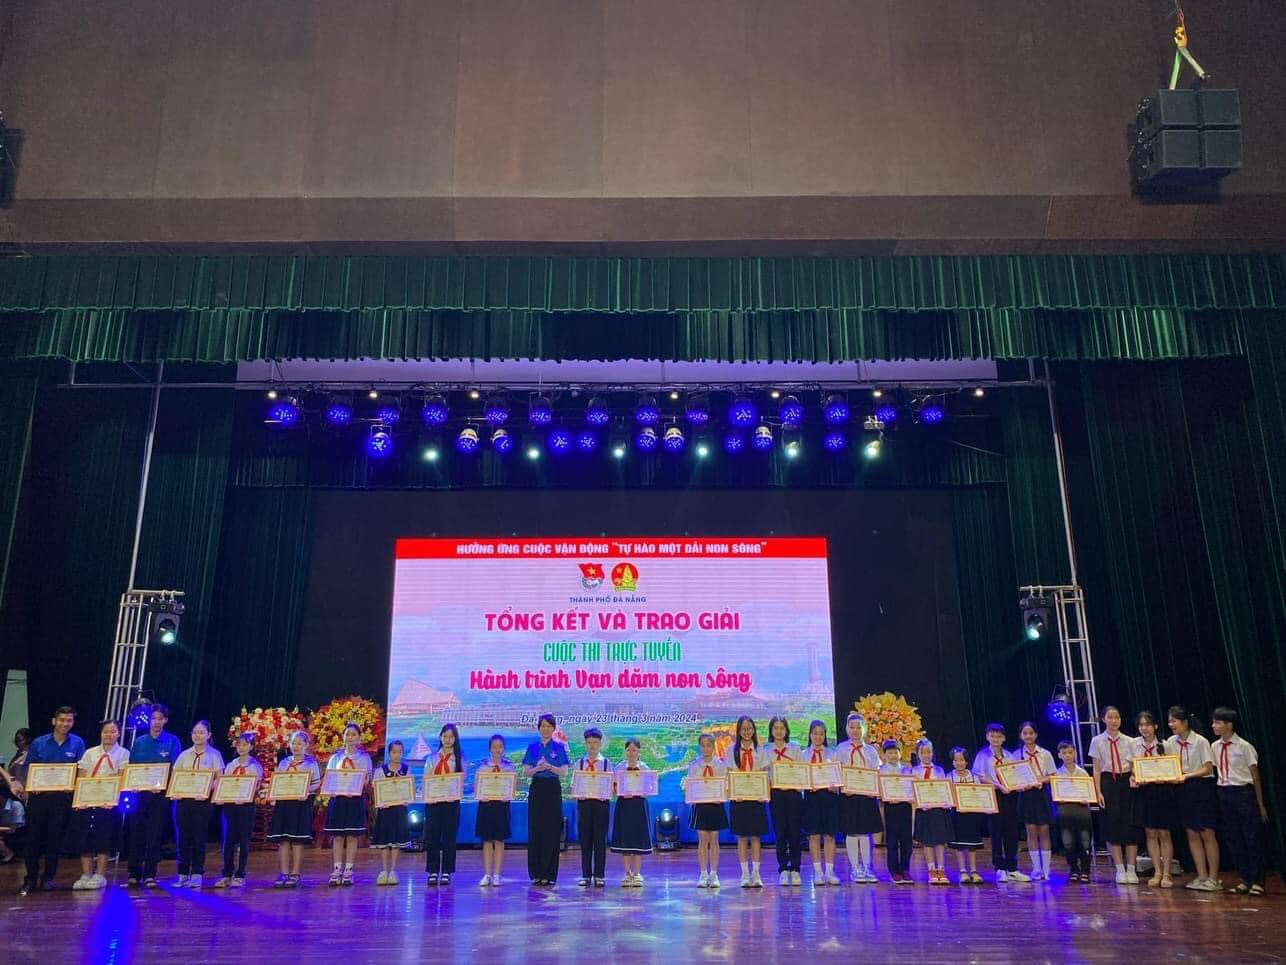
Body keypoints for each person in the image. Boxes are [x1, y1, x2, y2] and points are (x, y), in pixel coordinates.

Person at [20, 705, 85, 895]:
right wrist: (29, 787)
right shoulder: (39, 743)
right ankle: (31, 878)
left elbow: (80, 770)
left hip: (62, 799)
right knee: (33, 839)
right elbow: (27, 769)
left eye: (69, 720)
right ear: (54, 721)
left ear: (73, 723)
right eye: (62, 720)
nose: (65, 724)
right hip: (39, 798)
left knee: (54, 840)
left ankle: (48, 877)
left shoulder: (77, 743)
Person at [1210, 707, 1268, 896]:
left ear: (1229, 725)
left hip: (1243, 792)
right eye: (1213, 722)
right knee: (1233, 837)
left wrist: (1260, 804)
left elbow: (1255, 775)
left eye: (1218, 722)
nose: (1214, 726)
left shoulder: (1244, 746)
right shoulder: (1215, 746)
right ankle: (1245, 878)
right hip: (1224, 792)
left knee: (1251, 837)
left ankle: (1258, 880)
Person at [66, 719, 129, 890]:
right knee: (86, 837)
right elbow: (81, 776)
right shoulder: (90, 753)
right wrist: (82, 797)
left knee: (104, 837)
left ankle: (100, 874)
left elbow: (121, 777)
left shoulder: (123, 753)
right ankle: (86, 873)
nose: (108, 735)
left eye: (112, 731)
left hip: (109, 802)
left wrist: (108, 790)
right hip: (88, 800)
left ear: (118, 734)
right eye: (105, 731)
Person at [1165, 705, 1221, 892]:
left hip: (1201, 788)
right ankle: (1201, 875)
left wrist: (1187, 775)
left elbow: (1208, 768)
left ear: (1185, 722)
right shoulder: (1170, 742)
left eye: (1174, 721)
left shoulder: (1200, 741)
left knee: (1207, 833)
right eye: (1169, 721)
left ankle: (1213, 878)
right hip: (1182, 790)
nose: (1171, 724)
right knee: (1191, 833)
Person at [125, 704, 181, 888]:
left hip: (160, 795)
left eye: (160, 719)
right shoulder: (139, 741)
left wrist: (163, 785)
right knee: (136, 833)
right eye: (153, 718)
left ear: (165, 720)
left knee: (155, 834)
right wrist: (133, 785)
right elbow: (132, 768)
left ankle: (150, 874)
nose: (156, 722)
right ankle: (133, 874)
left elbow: (175, 769)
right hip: (139, 794)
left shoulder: (172, 741)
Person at [971, 722, 1030, 883]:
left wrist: (1019, 784)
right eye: (992, 736)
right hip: (993, 795)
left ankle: (1012, 868)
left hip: (1010, 796)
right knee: (996, 832)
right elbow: (979, 776)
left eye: (999, 736)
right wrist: (997, 785)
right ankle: (999, 867)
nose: (995, 739)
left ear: (1003, 738)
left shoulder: (1009, 756)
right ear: (987, 737)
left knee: (1011, 832)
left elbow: (1016, 774)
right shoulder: (982, 755)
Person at [1088, 705, 1139, 885]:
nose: (1114, 721)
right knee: (1112, 827)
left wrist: (1134, 776)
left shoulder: (1130, 741)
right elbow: (1096, 768)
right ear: (1103, 719)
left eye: (1116, 717)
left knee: (1130, 827)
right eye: (1110, 717)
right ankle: (1120, 869)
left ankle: (1131, 869)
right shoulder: (1097, 741)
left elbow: (1134, 764)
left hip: (1126, 782)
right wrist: (1098, 791)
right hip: (1108, 782)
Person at [172, 720, 224, 889]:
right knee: (183, 838)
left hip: (202, 802)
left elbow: (219, 779)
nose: (198, 736)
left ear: (209, 735)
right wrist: (176, 791)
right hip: (183, 802)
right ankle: (182, 874)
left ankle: (196, 874)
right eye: (195, 733)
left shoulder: (214, 755)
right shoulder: (184, 755)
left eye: (202, 732)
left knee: (198, 838)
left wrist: (207, 789)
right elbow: (175, 777)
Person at [266, 730, 321, 888]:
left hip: (301, 804)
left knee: (297, 839)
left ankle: (295, 873)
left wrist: (306, 792)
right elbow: (279, 781)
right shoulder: (284, 763)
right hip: (284, 803)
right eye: (293, 743)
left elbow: (316, 784)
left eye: (299, 744)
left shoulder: (311, 763)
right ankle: (284, 872)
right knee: (283, 839)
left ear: (306, 745)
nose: (296, 747)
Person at [522, 713, 569, 886]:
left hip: (552, 788)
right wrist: (537, 768)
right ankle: (536, 873)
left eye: (549, 726)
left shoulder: (559, 747)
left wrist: (549, 767)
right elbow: (526, 771)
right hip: (537, 788)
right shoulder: (532, 747)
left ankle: (549, 874)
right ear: (538, 728)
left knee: (552, 829)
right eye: (542, 725)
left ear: (553, 728)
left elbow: (564, 772)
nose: (545, 729)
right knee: (536, 828)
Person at [324, 721, 373, 886]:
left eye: (354, 735)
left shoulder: (364, 758)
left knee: (352, 836)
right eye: (347, 734)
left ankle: (349, 870)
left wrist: (356, 786)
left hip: (355, 800)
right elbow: (329, 778)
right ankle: (337, 869)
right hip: (338, 800)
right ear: (343, 737)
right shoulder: (335, 758)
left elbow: (366, 779)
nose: (350, 737)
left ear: (359, 738)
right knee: (338, 836)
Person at [835, 711, 882, 884]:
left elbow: (876, 772)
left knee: (865, 832)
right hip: (848, 796)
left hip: (866, 797)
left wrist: (873, 788)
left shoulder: (870, 751)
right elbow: (836, 771)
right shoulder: (841, 749)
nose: (855, 730)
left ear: (864, 729)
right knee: (852, 832)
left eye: (858, 727)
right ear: (847, 729)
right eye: (852, 727)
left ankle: (868, 867)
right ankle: (855, 868)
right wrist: (842, 787)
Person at [1132, 710, 1177, 888]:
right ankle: (1157, 871)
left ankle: (1167, 873)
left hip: (1162, 790)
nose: (1145, 728)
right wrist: (1135, 776)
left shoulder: (1165, 745)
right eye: (1141, 725)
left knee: (1164, 833)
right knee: (1150, 833)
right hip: (1144, 791)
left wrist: (1165, 776)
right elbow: (1132, 767)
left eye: (1148, 725)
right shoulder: (1134, 745)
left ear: (1155, 726)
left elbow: (1173, 767)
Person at [723, 715, 767, 888]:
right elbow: (729, 774)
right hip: (739, 799)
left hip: (756, 799)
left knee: (756, 837)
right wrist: (734, 792)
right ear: (738, 731)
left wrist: (763, 793)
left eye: (749, 728)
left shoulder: (760, 750)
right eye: (743, 729)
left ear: (754, 730)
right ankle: (744, 874)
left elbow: (764, 773)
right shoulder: (730, 750)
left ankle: (756, 873)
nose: (747, 732)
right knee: (741, 837)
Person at [215, 732, 262, 888]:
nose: (241, 748)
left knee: (243, 840)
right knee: (229, 841)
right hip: (230, 806)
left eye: (245, 745)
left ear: (251, 747)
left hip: (246, 807)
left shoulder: (255, 766)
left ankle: (240, 874)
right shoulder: (231, 765)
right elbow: (225, 784)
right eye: (239, 745)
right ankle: (227, 873)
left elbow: (256, 786)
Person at [766, 715, 804, 886]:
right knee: (780, 832)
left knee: (794, 832)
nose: (779, 731)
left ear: (786, 730)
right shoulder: (765, 750)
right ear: (771, 730)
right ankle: (783, 869)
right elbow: (763, 773)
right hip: (776, 794)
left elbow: (802, 771)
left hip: (793, 794)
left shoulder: (795, 749)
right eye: (776, 728)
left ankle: (795, 868)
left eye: (782, 728)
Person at [687, 732, 728, 888]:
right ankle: (703, 873)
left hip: (715, 805)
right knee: (703, 840)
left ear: (713, 746)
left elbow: (724, 785)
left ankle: (714, 874)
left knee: (714, 839)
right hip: (701, 806)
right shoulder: (694, 765)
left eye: (709, 745)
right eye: (703, 746)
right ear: (699, 747)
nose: (706, 748)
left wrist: (721, 795)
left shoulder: (720, 765)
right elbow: (691, 786)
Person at [424, 723, 463, 886]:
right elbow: (426, 779)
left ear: (455, 739)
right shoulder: (431, 758)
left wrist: (454, 794)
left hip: (451, 804)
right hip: (433, 803)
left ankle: (447, 871)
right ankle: (433, 871)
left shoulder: (459, 759)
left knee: (449, 837)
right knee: (432, 836)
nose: (448, 739)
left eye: (451, 737)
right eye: (445, 736)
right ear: (440, 737)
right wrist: (429, 796)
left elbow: (461, 780)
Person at [1017, 721, 1056, 881]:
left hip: (1042, 794)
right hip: (1026, 795)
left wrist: (1041, 780)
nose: (1028, 736)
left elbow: (1052, 775)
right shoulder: (1016, 755)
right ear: (1021, 736)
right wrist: (1020, 785)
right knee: (1031, 830)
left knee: (1044, 830)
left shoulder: (1045, 754)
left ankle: (1046, 868)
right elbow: (1012, 776)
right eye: (1025, 733)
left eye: (1031, 733)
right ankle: (1036, 868)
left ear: (1036, 735)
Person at [802, 720, 840, 885]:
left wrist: (835, 786)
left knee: (830, 835)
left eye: (821, 733)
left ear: (825, 735)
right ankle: (817, 872)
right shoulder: (803, 755)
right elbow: (800, 778)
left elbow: (838, 778)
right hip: (811, 799)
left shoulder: (832, 754)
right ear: (810, 735)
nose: (818, 737)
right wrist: (806, 785)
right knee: (814, 836)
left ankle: (830, 872)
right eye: (815, 733)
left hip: (829, 798)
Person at [610, 737, 652, 887]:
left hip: (639, 805)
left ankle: (637, 873)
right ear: (625, 751)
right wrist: (621, 792)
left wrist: (640, 792)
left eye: (634, 750)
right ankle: (627, 873)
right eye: (629, 750)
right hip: (624, 805)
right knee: (625, 838)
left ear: (639, 751)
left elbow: (649, 789)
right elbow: (613, 789)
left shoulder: (645, 768)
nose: (631, 753)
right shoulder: (618, 768)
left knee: (638, 837)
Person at [911, 738, 952, 884]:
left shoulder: (939, 770)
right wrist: (919, 802)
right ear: (918, 754)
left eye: (929, 752)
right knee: (927, 841)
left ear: (932, 753)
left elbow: (944, 789)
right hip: (923, 810)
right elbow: (912, 790)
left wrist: (946, 802)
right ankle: (931, 870)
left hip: (938, 810)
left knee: (940, 841)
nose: (926, 755)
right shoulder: (914, 771)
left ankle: (941, 869)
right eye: (923, 752)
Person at [475, 734, 514, 887]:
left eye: (500, 747)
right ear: (490, 749)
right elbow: (477, 787)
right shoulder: (482, 767)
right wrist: (480, 795)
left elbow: (512, 787)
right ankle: (487, 874)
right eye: (494, 747)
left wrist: (508, 796)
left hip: (502, 806)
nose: (497, 750)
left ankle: (497, 874)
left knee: (499, 840)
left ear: (503, 748)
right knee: (486, 840)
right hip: (486, 806)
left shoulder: (509, 767)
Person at [575, 727, 611, 888]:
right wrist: (578, 792)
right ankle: (585, 875)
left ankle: (599, 875)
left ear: (600, 744)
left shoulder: (607, 763)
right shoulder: (579, 763)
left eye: (595, 742)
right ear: (585, 744)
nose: (592, 746)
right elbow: (574, 785)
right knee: (585, 840)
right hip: (584, 804)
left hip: (601, 804)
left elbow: (611, 786)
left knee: (600, 840)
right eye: (589, 742)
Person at [372, 739, 411, 886]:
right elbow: (377, 790)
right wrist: (382, 801)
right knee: (384, 841)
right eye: (394, 752)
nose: (397, 755)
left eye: (400, 752)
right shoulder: (380, 771)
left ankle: (393, 870)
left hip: (399, 810)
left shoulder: (406, 770)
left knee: (396, 842)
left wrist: (406, 799)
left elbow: (409, 789)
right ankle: (383, 870)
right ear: (389, 753)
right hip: (385, 811)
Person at [1054, 740, 1093, 883]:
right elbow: (1055, 795)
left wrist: (1086, 799)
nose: (1067, 755)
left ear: (1075, 753)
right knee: (1068, 842)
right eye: (1064, 753)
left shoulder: (1082, 773)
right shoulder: (1056, 774)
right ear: (1059, 755)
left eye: (1070, 752)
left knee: (1085, 841)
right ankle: (1074, 869)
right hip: (1065, 811)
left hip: (1082, 811)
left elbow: (1089, 793)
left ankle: (1085, 870)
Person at [947, 746, 984, 883]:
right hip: (957, 815)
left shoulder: (974, 777)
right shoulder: (949, 777)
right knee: (959, 845)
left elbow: (980, 795)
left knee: (972, 845)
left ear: (967, 761)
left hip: (972, 815)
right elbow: (947, 795)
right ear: (952, 762)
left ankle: (974, 871)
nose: (959, 763)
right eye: (956, 760)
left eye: (961, 760)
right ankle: (962, 871)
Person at [880, 740, 913, 884]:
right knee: (892, 841)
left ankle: (905, 869)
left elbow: (912, 788)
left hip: (905, 807)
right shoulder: (881, 771)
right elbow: (880, 790)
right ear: (884, 755)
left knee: (906, 840)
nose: (893, 755)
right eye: (890, 753)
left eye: (895, 752)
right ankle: (894, 871)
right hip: (890, 807)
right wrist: (886, 797)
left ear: (900, 754)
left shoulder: (907, 770)